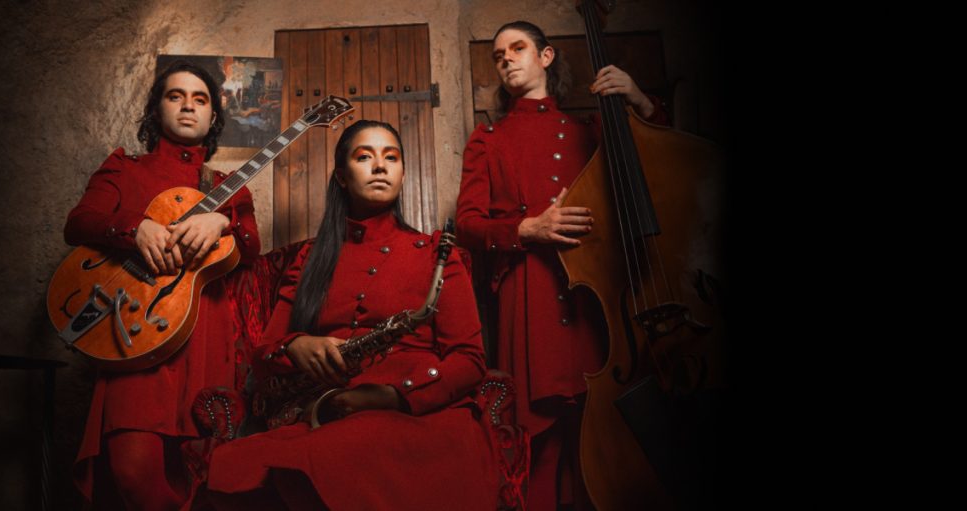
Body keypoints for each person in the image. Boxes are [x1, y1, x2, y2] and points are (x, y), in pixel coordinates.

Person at [197, 120, 498, 510]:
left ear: (403, 173)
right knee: (235, 463)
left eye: (391, 157)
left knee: (325, 457)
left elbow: (470, 360)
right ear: (341, 175)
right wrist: (297, 346)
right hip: (327, 409)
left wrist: (391, 395)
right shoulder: (309, 259)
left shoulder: (437, 253)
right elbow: (265, 351)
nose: (380, 166)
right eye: (364, 156)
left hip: (419, 416)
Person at [455, 21, 669, 511]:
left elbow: (659, 155)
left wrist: (636, 97)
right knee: (536, 431)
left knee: (609, 421)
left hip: (598, 293)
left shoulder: (591, 129)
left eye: (518, 48)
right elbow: (467, 224)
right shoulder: (487, 138)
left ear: (547, 57)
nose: (506, 58)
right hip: (529, 289)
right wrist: (526, 229)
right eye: (498, 54)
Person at [64, 60, 261, 510]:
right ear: (156, 110)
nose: (189, 106)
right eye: (176, 96)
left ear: (213, 117)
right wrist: (135, 229)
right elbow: (79, 224)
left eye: (200, 99)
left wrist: (222, 219)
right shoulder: (124, 167)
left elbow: (250, 246)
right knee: (134, 471)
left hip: (205, 337)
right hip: (134, 331)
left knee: (201, 476)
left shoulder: (228, 187)